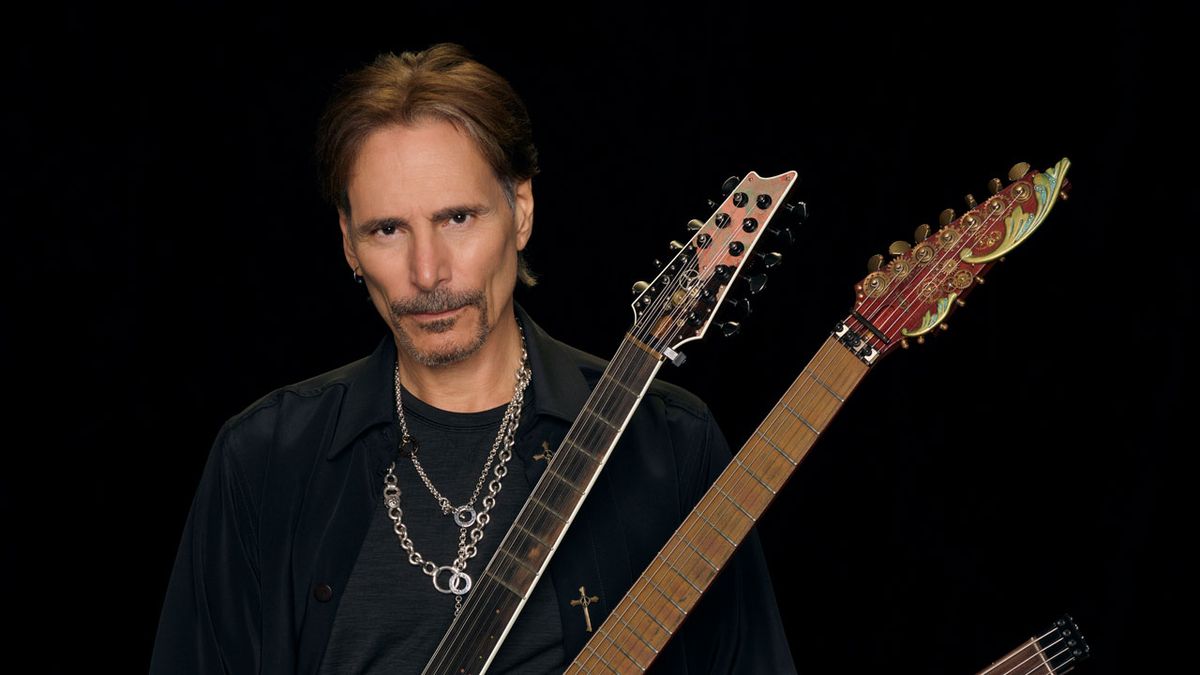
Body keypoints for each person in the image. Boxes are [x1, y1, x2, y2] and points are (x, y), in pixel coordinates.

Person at [150, 43, 796, 674]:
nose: (427, 272)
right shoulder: (264, 458)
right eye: (387, 229)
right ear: (348, 244)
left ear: (521, 211)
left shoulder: (668, 444)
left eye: (458, 217)